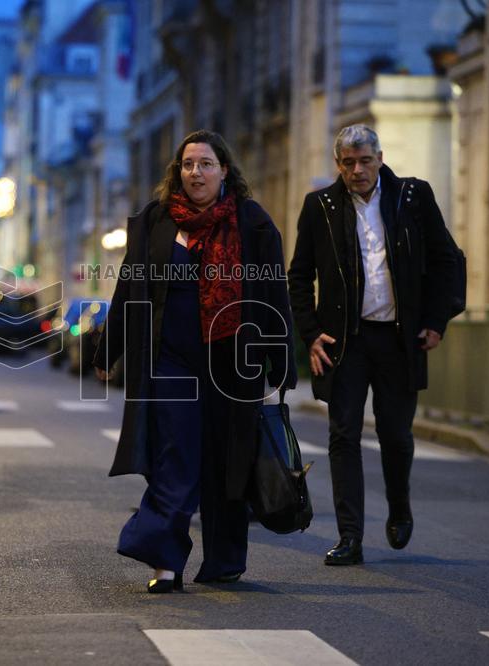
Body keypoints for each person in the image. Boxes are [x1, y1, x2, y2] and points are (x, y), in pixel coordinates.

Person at [94, 130, 297, 593]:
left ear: (224, 170)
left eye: (205, 164)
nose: (196, 172)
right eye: (188, 165)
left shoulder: (252, 222)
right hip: (170, 363)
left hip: (231, 365)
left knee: (228, 462)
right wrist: (109, 350)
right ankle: (165, 562)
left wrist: (279, 362)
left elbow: (273, 295)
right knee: (175, 458)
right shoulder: (156, 221)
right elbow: (128, 289)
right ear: (177, 172)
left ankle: (223, 561)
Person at [287, 124, 458, 566]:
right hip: (346, 341)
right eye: (348, 163)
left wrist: (437, 321)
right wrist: (310, 333)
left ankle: (399, 506)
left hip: (399, 339)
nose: (358, 170)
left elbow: (447, 261)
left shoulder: (413, 197)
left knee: (395, 435)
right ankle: (350, 537)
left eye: (365, 160)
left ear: (380, 158)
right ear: (338, 165)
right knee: (342, 435)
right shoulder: (320, 206)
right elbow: (300, 276)